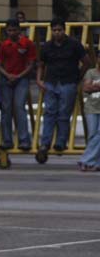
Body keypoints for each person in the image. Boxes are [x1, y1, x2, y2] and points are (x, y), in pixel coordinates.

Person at [35, 19, 90, 163]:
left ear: (64, 30)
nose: (57, 32)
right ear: (51, 31)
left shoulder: (74, 44)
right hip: (51, 82)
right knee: (49, 113)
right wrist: (39, 80)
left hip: (68, 82)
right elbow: (41, 64)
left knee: (64, 113)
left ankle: (60, 142)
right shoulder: (47, 46)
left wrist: (78, 77)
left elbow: (86, 61)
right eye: (54, 30)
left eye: (59, 30)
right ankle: (45, 144)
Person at [0, 19, 36, 151]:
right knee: (6, 109)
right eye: (9, 30)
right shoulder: (4, 45)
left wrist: (18, 76)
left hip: (22, 79)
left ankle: (24, 140)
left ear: (19, 30)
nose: (11, 33)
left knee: (19, 107)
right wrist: (8, 75)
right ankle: (7, 140)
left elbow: (31, 65)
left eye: (14, 30)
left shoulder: (27, 43)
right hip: (7, 79)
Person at [79, 56, 100, 171]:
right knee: (92, 135)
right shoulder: (90, 72)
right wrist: (95, 87)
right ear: (97, 59)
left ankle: (86, 160)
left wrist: (94, 86)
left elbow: (90, 87)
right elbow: (86, 88)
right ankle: (96, 162)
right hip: (91, 108)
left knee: (99, 134)